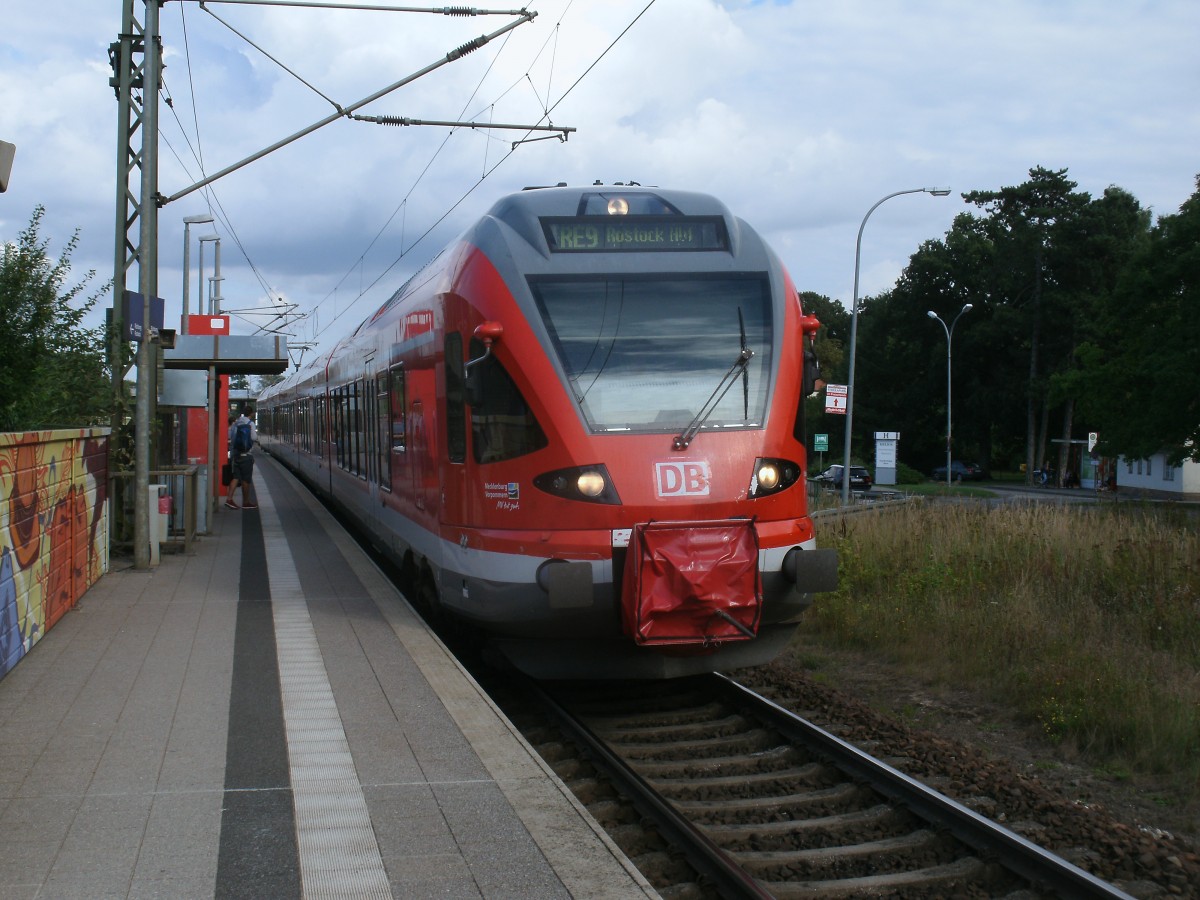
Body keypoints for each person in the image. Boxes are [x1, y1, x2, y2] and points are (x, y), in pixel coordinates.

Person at [226, 406, 258, 509]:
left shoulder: (236, 423)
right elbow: (254, 437)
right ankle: (246, 502)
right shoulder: (250, 423)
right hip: (246, 455)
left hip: (236, 455)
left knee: (235, 477)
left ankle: (229, 499)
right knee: (246, 479)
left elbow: (232, 438)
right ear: (251, 413)